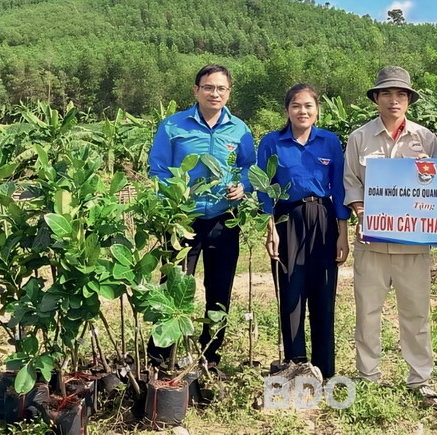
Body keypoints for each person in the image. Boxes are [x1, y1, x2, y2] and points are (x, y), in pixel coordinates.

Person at [343, 66, 437, 405]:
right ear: (376, 99)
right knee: (367, 312)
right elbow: (352, 181)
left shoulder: (425, 139)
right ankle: (368, 376)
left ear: (409, 100)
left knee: (416, 313)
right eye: (386, 94)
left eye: (401, 94)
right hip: (372, 243)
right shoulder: (359, 138)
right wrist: (359, 210)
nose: (393, 100)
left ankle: (420, 379)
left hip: (413, 245)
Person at [148, 64, 256, 370]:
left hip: (224, 219)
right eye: (209, 87)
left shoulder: (240, 130)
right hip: (182, 220)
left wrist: (243, 185)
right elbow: (157, 170)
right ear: (196, 90)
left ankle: (210, 358)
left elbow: (249, 166)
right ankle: (160, 359)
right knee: (173, 288)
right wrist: (176, 198)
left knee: (219, 290)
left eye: (221, 88)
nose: (215, 93)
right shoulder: (173, 126)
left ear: (229, 92)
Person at [258, 83, 350, 379]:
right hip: (288, 219)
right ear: (287, 110)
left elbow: (339, 188)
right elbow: (264, 188)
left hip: (323, 218)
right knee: (291, 291)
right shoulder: (272, 142)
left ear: (317, 110)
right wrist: (269, 227)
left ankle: (325, 369)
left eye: (309, 106)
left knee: (323, 292)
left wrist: (343, 233)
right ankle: (296, 365)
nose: (303, 111)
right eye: (296, 105)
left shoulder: (330, 142)